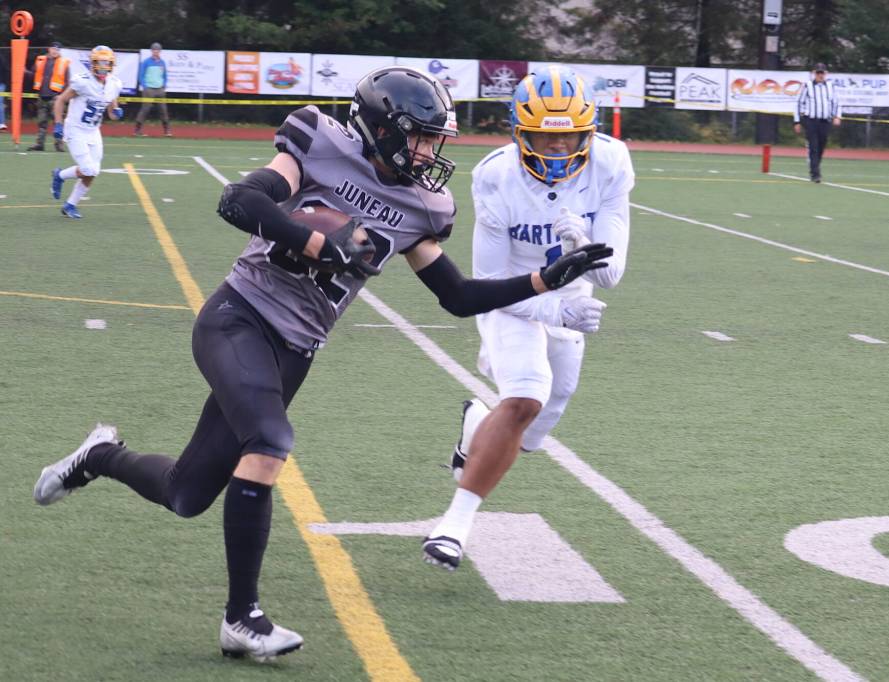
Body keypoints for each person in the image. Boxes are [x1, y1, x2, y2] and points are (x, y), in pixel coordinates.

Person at [33, 66, 611, 662]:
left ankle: (99, 455)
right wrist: (316, 242)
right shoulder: (319, 141)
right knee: (269, 440)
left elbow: (458, 297)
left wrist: (543, 280)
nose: (429, 151)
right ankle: (242, 620)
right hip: (239, 316)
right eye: (419, 136)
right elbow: (240, 200)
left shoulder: (422, 204)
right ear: (383, 127)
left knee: (188, 492)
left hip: (295, 349)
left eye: (434, 139)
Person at [422, 66, 633, 572]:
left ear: (590, 133)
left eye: (569, 140)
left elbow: (610, 278)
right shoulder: (497, 177)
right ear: (519, 131)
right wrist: (554, 304)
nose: (558, 152)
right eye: (544, 138)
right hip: (515, 297)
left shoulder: (610, 162)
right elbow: (486, 286)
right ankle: (453, 526)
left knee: (540, 423)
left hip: (573, 296)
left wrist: (584, 249)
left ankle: (477, 422)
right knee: (524, 398)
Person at [50, 46, 124, 220]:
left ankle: (69, 204)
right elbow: (60, 100)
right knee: (88, 169)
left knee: (94, 171)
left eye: (107, 63)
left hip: (93, 131)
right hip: (75, 129)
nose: (104, 66)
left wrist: (117, 112)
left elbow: (112, 112)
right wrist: (58, 124)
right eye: (100, 62)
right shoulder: (82, 81)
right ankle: (60, 176)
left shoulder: (114, 84)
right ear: (93, 63)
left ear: (112, 64)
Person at [793, 63, 841, 183]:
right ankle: (815, 174)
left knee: (821, 146)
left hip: (825, 121)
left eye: (822, 73)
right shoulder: (807, 86)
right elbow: (799, 103)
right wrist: (797, 121)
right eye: (818, 72)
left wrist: (837, 116)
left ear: (826, 74)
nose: (820, 75)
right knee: (813, 146)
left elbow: (836, 102)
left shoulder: (831, 86)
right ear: (814, 73)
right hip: (811, 121)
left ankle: (814, 165)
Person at [28, 42, 71, 151]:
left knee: (58, 122)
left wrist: (61, 96)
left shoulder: (63, 63)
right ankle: (40, 144)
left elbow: (67, 82)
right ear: (49, 49)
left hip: (55, 98)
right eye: (53, 49)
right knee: (41, 122)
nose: (55, 51)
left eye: (57, 49)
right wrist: (22, 71)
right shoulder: (41, 60)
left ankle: (59, 144)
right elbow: (33, 73)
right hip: (42, 96)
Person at [135, 42, 171, 137]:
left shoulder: (162, 62)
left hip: (160, 89)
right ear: (151, 51)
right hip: (149, 89)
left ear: (160, 51)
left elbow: (165, 76)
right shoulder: (146, 62)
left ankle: (167, 130)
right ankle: (137, 130)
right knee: (145, 109)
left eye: (158, 50)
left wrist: (164, 85)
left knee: (163, 109)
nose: (156, 52)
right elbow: (141, 75)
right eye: (154, 50)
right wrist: (145, 86)